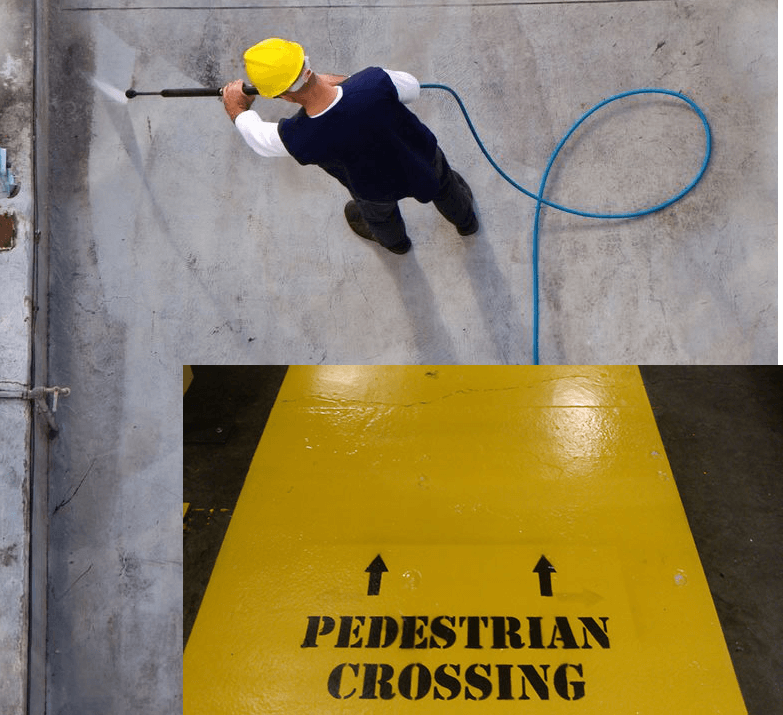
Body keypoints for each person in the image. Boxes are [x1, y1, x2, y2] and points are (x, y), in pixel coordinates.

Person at [222, 38, 478, 255]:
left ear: (284, 96)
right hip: (422, 159)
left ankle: (398, 245)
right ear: (307, 65)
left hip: (372, 189)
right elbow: (411, 87)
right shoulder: (375, 82)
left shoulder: (299, 137)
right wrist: (343, 82)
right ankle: (466, 223)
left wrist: (237, 108)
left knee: (379, 217)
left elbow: (258, 138)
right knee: (446, 186)